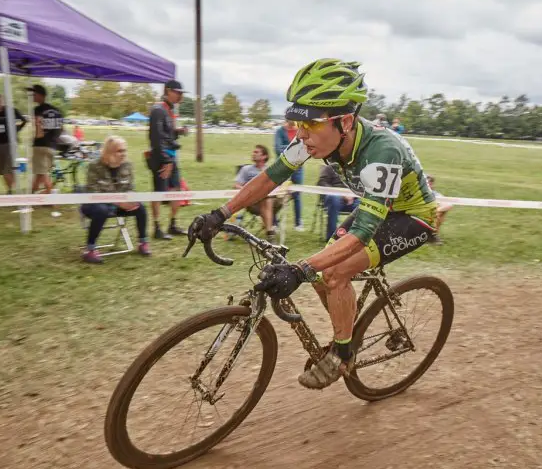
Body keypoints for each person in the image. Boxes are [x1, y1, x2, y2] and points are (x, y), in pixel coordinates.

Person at [188, 58, 439, 390]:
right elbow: (270, 177)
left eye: (310, 125)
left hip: (412, 217)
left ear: (345, 121)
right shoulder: (315, 139)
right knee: (323, 274)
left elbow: (363, 233)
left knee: (334, 272)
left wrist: (298, 270)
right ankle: (345, 329)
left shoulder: (382, 151)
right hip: (374, 208)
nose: (301, 135)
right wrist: (220, 214)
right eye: (296, 123)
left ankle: (343, 353)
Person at [81, 135, 151, 263]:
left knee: (140, 207)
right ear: (109, 152)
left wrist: (131, 199)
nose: (123, 154)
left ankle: (143, 242)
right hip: (94, 204)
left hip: (120, 204)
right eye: (119, 151)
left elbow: (130, 187)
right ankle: (89, 250)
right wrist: (118, 202)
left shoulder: (127, 165)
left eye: (124, 150)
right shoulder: (94, 166)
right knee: (101, 210)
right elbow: (93, 191)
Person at [148, 80, 188, 240]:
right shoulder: (158, 110)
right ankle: (157, 228)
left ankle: (172, 225)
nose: (180, 96)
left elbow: (166, 133)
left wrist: (177, 131)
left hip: (170, 156)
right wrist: (165, 161)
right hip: (161, 157)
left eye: (181, 93)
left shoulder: (169, 110)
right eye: (177, 92)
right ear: (168, 91)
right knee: (159, 192)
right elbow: (155, 138)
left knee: (177, 191)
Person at [235, 144, 282, 240]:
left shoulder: (271, 170)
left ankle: (269, 230)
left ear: (264, 156)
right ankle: (270, 233)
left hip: (273, 201)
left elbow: (280, 186)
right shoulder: (246, 169)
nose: (253, 154)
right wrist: (248, 191)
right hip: (252, 202)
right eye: (253, 152)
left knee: (267, 199)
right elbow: (236, 185)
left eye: (256, 152)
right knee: (265, 200)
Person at [0, 94, 27, 194]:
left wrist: (17, 129)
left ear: (2, 101)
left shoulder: (11, 110)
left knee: (8, 169)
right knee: (2, 170)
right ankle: (10, 189)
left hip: (11, 143)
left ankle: (12, 190)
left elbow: (24, 120)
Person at [28, 84, 63, 197]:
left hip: (40, 145)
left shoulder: (37, 109)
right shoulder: (57, 110)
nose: (32, 96)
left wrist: (37, 138)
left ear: (40, 95)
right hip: (52, 146)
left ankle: (51, 198)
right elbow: (61, 129)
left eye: (34, 94)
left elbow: (39, 129)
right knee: (40, 172)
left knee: (43, 173)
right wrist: (53, 140)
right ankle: (31, 194)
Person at [317, 163, 358, 240]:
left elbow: (361, 186)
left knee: (363, 204)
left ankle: (354, 237)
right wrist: (341, 194)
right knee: (334, 198)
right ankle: (332, 237)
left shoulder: (355, 168)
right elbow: (321, 182)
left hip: (352, 199)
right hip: (334, 198)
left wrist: (353, 195)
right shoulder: (331, 167)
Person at [275, 120, 304, 230]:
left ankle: (298, 223)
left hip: (298, 167)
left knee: (297, 195)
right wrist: (295, 147)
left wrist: (287, 148)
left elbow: (304, 147)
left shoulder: (300, 130)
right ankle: (275, 223)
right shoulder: (280, 131)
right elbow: (278, 149)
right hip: (282, 166)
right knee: (278, 195)